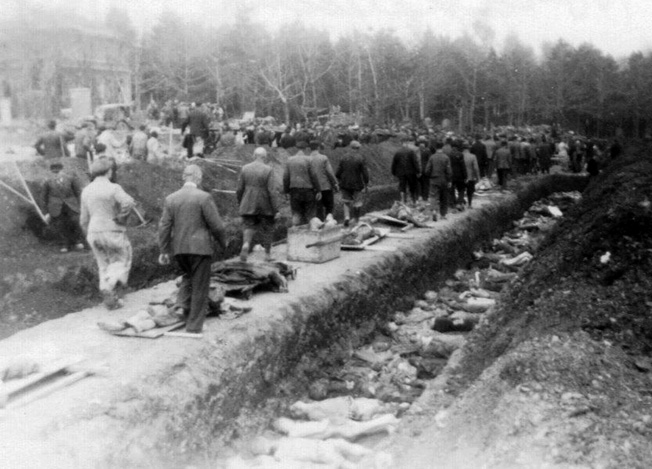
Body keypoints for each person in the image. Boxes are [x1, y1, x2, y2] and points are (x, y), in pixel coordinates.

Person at [158, 165, 226, 334]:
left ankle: (182, 307)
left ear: (184, 177)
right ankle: (194, 326)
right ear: (198, 178)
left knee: (189, 277)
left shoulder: (171, 199)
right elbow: (216, 225)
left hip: (180, 249)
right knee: (200, 286)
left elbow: (164, 226)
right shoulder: (204, 197)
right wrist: (224, 243)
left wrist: (164, 250)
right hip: (200, 248)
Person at [80, 158, 135, 309]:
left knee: (103, 264)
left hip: (93, 231)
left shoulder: (86, 190)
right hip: (112, 229)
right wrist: (121, 218)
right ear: (109, 172)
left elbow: (83, 219)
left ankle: (109, 294)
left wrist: (88, 233)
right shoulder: (114, 188)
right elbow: (128, 202)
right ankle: (110, 286)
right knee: (123, 258)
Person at [236, 147, 280, 262]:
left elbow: (239, 189)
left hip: (248, 202)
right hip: (264, 203)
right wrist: (276, 209)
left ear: (254, 155)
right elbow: (272, 191)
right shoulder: (268, 169)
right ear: (264, 157)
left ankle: (245, 245)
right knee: (268, 228)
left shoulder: (245, 168)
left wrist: (241, 202)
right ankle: (267, 254)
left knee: (249, 225)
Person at [43, 162, 85, 253]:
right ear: (51, 172)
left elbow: (78, 193)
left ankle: (77, 241)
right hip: (55, 206)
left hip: (71, 205)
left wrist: (80, 206)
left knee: (74, 221)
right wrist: (46, 212)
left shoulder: (71, 179)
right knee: (60, 224)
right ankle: (64, 244)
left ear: (63, 170)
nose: (56, 174)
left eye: (58, 171)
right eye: (54, 172)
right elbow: (44, 197)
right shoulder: (48, 182)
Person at [283, 140, 321, 226]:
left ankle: (295, 234)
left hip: (294, 190)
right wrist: (318, 190)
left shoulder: (289, 160)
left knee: (296, 214)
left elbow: (285, 177)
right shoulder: (309, 159)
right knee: (310, 214)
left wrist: (286, 191)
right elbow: (313, 176)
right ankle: (311, 234)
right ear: (306, 149)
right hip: (308, 190)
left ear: (297, 148)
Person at [335, 141, 369, 227]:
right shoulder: (361, 158)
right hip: (357, 184)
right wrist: (366, 183)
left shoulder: (343, 157)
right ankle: (356, 220)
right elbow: (365, 173)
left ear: (350, 148)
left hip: (345, 183)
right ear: (358, 148)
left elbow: (338, 172)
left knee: (346, 202)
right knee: (357, 202)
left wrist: (340, 180)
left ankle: (347, 217)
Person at [309, 140, 339, 221]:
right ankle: (329, 223)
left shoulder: (307, 159)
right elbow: (330, 172)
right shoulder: (323, 158)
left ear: (310, 148)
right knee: (329, 207)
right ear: (318, 147)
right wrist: (335, 183)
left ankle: (320, 224)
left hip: (314, 188)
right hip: (326, 186)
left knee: (318, 209)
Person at [424, 141, 452, 221]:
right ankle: (443, 214)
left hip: (434, 179)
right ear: (442, 147)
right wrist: (449, 180)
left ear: (436, 148)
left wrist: (430, 176)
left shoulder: (432, 157)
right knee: (444, 197)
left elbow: (427, 170)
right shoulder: (446, 157)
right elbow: (449, 171)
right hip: (443, 179)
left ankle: (434, 211)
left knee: (433, 196)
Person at [391, 138, 421, 205]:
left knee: (402, 186)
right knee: (412, 186)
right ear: (407, 143)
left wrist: (393, 172)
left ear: (401, 143)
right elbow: (415, 162)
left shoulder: (398, 152)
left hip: (401, 173)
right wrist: (418, 171)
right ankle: (414, 201)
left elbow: (394, 163)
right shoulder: (411, 151)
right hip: (411, 172)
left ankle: (403, 201)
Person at [449, 141, 467, 210]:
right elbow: (463, 166)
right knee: (461, 189)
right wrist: (465, 176)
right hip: (460, 175)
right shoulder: (460, 154)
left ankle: (453, 203)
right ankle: (459, 202)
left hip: (451, 175)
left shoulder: (449, 155)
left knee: (452, 190)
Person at [462, 142, 481, 208]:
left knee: (461, 190)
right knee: (470, 192)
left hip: (461, 177)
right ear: (469, 148)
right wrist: (478, 177)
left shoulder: (460, 155)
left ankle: (462, 202)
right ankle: (469, 204)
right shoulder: (473, 156)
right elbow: (476, 168)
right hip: (470, 176)